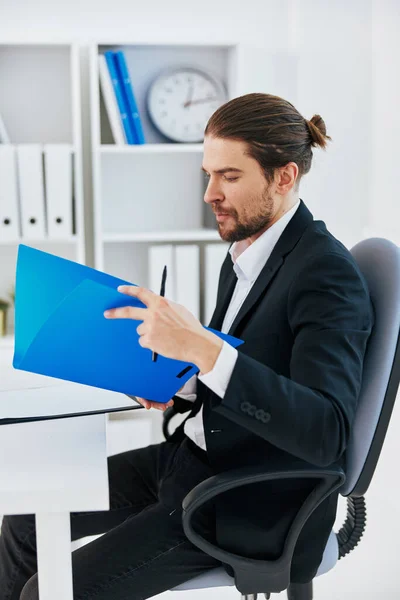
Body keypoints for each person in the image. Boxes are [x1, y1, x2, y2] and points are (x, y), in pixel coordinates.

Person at [0, 93, 374, 600]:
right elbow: (254, 366)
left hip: (244, 500)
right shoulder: (245, 251)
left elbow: (326, 432)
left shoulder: (325, 273)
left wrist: (205, 352)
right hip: (193, 460)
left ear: (284, 177)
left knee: (50, 591)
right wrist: (180, 381)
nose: (210, 193)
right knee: (23, 520)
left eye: (230, 176)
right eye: (208, 174)